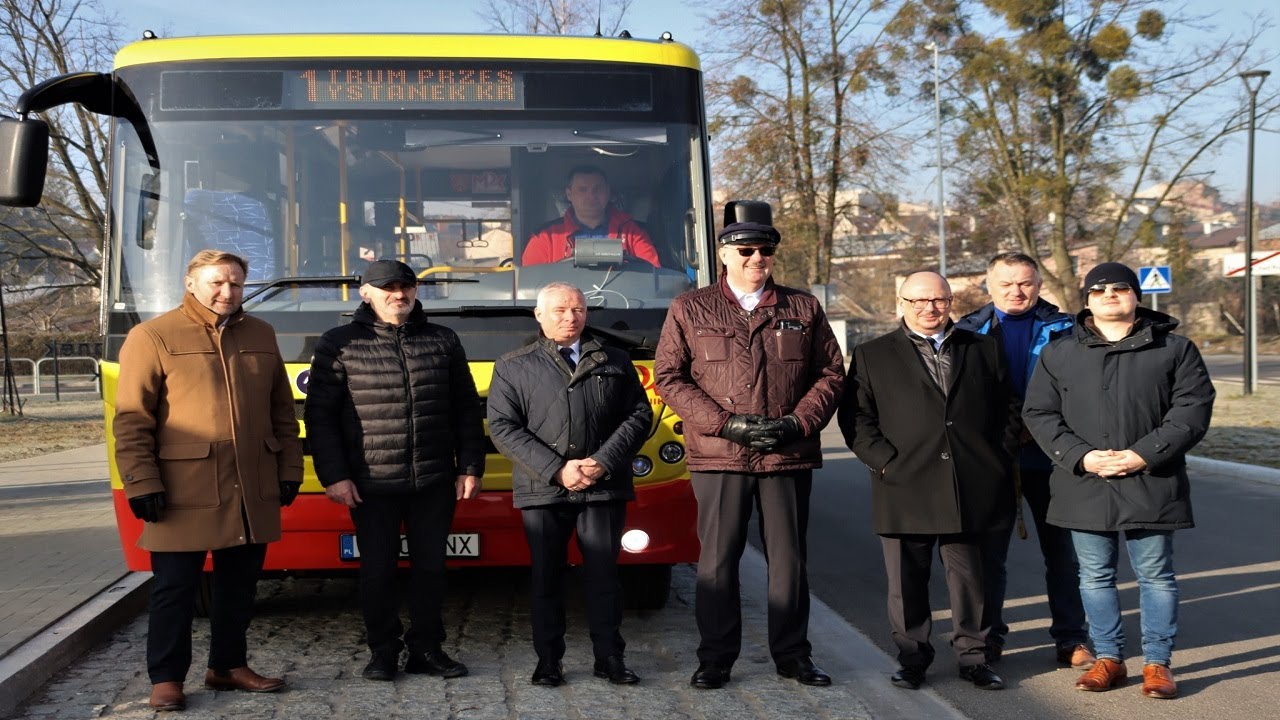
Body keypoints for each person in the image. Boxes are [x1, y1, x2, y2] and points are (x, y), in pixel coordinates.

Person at [654, 200, 844, 690]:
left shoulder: (802, 307)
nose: (757, 258)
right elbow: (670, 378)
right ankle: (716, 658)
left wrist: (796, 424)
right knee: (717, 561)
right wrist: (725, 424)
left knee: (789, 561)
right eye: (746, 250)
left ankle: (793, 656)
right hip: (719, 455)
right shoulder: (690, 307)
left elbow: (829, 374)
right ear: (724, 253)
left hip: (786, 453)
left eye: (766, 250)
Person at [113, 250, 303, 712]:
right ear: (191, 283)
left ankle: (227, 666)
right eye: (217, 283)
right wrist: (140, 483)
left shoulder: (261, 333)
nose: (228, 292)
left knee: (239, 586)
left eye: (236, 284)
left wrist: (289, 470)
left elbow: (282, 411)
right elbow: (132, 419)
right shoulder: (152, 335)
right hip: (182, 491)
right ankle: (166, 679)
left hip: (249, 486)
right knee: (174, 589)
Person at [1023, 262, 1214, 700]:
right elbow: (1039, 413)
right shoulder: (1059, 352)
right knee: (1093, 576)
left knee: (1156, 575)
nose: (1110, 294)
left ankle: (1157, 663)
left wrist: (1142, 454)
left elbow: (1191, 410)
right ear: (1086, 299)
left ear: (1136, 296)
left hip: (1151, 478)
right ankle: (1108, 658)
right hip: (1084, 482)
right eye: (1099, 289)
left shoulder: (1175, 350)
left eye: (1120, 287)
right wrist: (1081, 457)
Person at [304, 259, 485, 682]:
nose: (398, 294)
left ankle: (427, 649)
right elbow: (320, 417)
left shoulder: (443, 340)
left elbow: (466, 409)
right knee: (378, 572)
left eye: (406, 286)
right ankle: (382, 652)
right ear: (365, 293)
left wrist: (470, 465)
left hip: (434, 479)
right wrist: (334, 475)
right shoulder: (339, 342)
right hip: (371, 484)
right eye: (387, 287)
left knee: (431, 570)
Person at [838, 271, 1014, 692]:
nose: (928, 309)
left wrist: (994, 459)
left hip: (967, 484)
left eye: (937, 300)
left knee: (971, 581)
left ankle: (974, 656)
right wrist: (884, 463)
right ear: (901, 303)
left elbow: (1009, 409)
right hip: (904, 484)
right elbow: (856, 418)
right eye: (917, 301)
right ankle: (913, 658)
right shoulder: (872, 354)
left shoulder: (984, 348)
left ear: (950, 301)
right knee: (906, 582)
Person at [487, 282, 653, 687]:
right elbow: (503, 427)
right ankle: (548, 661)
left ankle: (610, 658)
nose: (570, 317)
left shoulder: (614, 359)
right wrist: (558, 470)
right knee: (546, 578)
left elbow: (638, 416)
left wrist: (601, 462)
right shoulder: (513, 365)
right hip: (543, 489)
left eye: (577, 309)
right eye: (560, 310)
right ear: (539, 315)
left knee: (603, 578)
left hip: (602, 487)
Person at [955, 252, 1093, 669]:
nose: (1017, 291)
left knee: (1064, 557)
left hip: (1054, 458)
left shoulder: (1068, 329)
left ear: (1038, 284)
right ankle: (990, 637)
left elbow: (1085, 391)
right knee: (989, 559)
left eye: (1026, 283)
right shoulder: (966, 331)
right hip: (993, 461)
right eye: (1006, 283)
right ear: (988, 285)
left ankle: (1071, 639)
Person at [522, 165, 661, 267]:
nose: (591, 196)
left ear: (607, 192)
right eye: (582, 190)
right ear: (569, 194)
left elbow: (652, 274)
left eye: (597, 189)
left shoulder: (634, 233)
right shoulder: (545, 237)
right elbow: (532, 285)